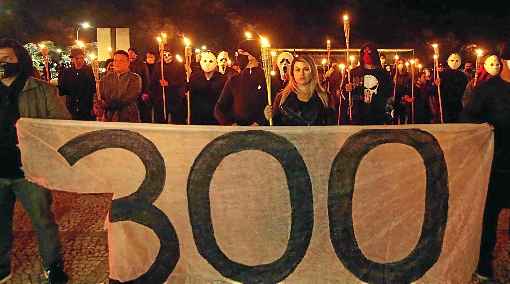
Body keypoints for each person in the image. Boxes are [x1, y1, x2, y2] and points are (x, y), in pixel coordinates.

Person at [0, 38, 70, 284]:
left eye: (8, 58)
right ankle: (2, 267)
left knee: (43, 220)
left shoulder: (41, 90)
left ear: (20, 59)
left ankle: (53, 265)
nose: (3, 63)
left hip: (31, 170)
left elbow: (61, 125)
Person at [460, 41, 510, 284]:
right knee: (489, 219)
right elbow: (468, 121)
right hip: (496, 166)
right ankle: (483, 266)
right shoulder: (488, 91)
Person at [215, 39, 280, 126]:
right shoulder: (234, 80)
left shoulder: (268, 79)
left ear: (252, 54)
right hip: (238, 133)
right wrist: (230, 124)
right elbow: (219, 108)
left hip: (262, 132)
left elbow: (273, 107)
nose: (238, 56)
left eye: (242, 53)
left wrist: (260, 121)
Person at [264, 54, 335, 126]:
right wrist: (269, 117)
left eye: (306, 69)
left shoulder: (325, 97)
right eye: (298, 70)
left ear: (312, 72)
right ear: (292, 73)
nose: (301, 73)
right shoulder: (282, 98)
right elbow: (275, 129)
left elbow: (331, 128)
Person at [344, 43, 392, 125]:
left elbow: (388, 93)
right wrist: (347, 89)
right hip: (358, 114)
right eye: (364, 52)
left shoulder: (383, 74)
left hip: (377, 115)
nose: (366, 55)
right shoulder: (354, 73)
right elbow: (344, 93)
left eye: (369, 52)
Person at [96, 50, 141, 122]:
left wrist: (109, 104)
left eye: (121, 61)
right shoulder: (106, 78)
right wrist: (100, 104)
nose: (117, 63)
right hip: (109, 117)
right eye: (115, 61)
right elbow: (101, 95)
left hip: (128, 116)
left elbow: (130, 97)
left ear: (128, 62)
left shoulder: (134, 78)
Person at [149, 48, 187, 124]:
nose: (166, 56)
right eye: (164, 54)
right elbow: (153, 79)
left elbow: (182, 80)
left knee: (177, 120)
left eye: (168, 54)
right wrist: (158, 82)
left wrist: (170, 83)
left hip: (175, 97)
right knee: (161, 119)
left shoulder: (178, 65)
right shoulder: (158, 65)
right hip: (161, 98)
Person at [188, 51, 227, 125]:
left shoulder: (222, 79)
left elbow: (224, 98)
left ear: (215, 63)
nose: (207, 64)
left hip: (215, 117)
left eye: (211, 61)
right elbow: (190, 95)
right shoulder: (195, 78)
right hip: (198, 117)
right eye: (205, 61)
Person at [58, 48, 96, 120]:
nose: (79, 61)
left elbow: (93, 88)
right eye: (77, 58)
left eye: (81, 58)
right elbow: (62, 90)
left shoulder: (90, 71)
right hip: (72, 106)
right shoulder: (66, 72)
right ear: (72, 59)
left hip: (87, 107)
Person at [439, 53, 468, 122]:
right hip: (445, 104)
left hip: (457, 103)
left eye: (456, 61)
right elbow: (436, 90)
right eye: (452, 60)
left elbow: (464, 89)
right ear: (448, 61)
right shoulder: (442, 74)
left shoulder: (462, 75)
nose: (454, 62)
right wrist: (437, 84)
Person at [128, 48, 151, 123]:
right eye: (129, 53)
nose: (130, 55)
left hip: (141, 91)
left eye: (132, 53)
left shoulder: (142, 65)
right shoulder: (127, 64)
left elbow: (146, 79)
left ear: (136, 54)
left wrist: (145, 92)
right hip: (130, 92)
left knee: (143, 110)